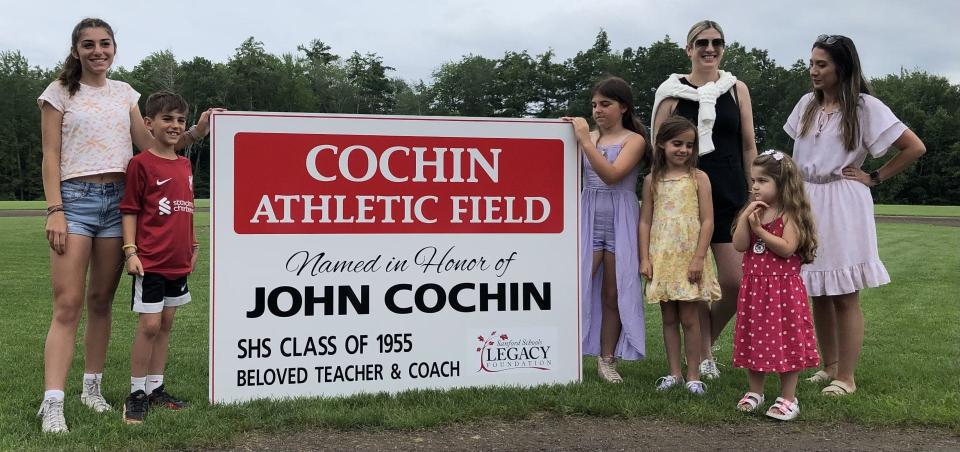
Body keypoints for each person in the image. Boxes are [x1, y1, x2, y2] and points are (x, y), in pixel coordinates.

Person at [37, 18, 210, 433]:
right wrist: (54, 209)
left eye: (105, 44)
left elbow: (153, 146)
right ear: (76, 50)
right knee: (67, 305)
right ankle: (53, 401)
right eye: (89, 45)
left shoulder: (125, 94)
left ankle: (91, 388)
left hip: (118, 204)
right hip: (75, 202)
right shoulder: (58, 93)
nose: (98, 51)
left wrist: (196, 132)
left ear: (114, 48)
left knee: (101, 302)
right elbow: (50, 154)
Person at [784, 35, 925, 397]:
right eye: (812, 63)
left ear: (841, 67)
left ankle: (846, 377)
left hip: (844, 200)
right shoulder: (806, 106)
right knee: (817, 287)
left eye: (822, 64)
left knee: (845, 292)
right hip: (806, 198)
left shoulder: (865, 107)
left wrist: (874, 176)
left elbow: (914, 147)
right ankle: (827, 366)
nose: (813, 71)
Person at [650, 20, 758, 380]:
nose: (709, 49)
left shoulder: (736, 89)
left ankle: (704, 342)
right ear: (688, 49)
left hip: (728, 194)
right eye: (702, 43)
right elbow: (657, 147)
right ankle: (701, 359)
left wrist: (754, 190)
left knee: (734, 283)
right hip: (681, 200)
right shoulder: (671, 92)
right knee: (690, 288)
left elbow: (747, 144)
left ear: (723, 48)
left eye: (716, 42)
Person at [119, 91, 206, 424]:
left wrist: (194, 245)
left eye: (180, 120)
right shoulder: (140, 164)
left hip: (177, 260)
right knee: (150, 325)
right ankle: (136, 393)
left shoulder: (184, 164)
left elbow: (186, 209)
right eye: (167, 119)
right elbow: (129, 210)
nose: (174, 125)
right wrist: (130, 251)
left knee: (166, 324)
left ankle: (156, 389)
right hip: (150, 260)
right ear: (149, 123)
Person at [563, 76, 649, 383]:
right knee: (575, 285)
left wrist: (585, 140)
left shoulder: (634, 140)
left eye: (606, 104)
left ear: (623, 107)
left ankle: (607, 358)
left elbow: (613, 175)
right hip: (588, 213)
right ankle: (561, 352)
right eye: (594, 105)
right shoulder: (588, 136)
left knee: (614, 291)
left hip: (620, 218)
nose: (598, 110)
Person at [731, 150, 820, 420]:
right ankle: (755, 391)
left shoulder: (790, 213)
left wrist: (760, 231)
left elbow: (786, 248)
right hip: (755, 291)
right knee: (754, 340)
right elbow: (739, 244)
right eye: (753, 180)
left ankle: (788, 398)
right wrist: (748, 218)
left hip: (783, 292)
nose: (755, 186)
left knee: (786, 341)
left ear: (782, 184)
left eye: (762, 181)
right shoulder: (755, 211)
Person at [640, 116, 721, 394]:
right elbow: (645, 222)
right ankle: (673, 373)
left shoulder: (699, 178)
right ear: (661, 144)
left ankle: (693, 375)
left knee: (690, 318)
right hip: (662, 256)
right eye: (677, 143)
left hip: (689, 258)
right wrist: (645, 258)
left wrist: (699, 256)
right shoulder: (652, 180)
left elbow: (708, 220)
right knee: (669, 318)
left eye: (689, 145)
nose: (683, 150)